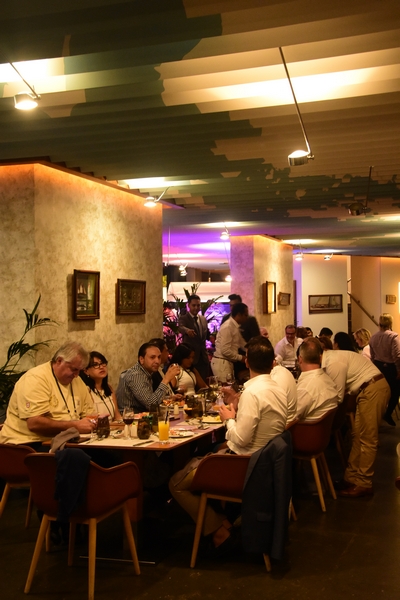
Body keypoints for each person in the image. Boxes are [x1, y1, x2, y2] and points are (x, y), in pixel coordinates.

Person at [169, 336, 287, 553]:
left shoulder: (253, 392)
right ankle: (223, 521)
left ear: (247, 361)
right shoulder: (278, 388)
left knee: (176, 482)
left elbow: (240, 439)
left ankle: (218, 530)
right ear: (272, 363)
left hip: (244, 468)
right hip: (264, 464)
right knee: (202, 457)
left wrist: (228, 419)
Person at [0, 341, 97, 448]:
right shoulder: (35, 378)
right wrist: (74, 426)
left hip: (66, 440)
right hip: (27, 443)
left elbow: (90, 415)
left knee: (107, 454)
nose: (76, 375)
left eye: (79, 371)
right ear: (59, 361)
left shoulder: (77, 381)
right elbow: (34, 424)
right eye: (74, 369)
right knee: (74, 455)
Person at [321, 348, 390, 497]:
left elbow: (338, 397)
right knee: (358, 436)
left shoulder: (333, 363)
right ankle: (351, 478)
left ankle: (364, 483)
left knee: (367, 439)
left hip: (373, 388)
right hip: (369, 388)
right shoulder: (332, 358)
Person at [119, 342, 180, 412]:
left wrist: (169, 398)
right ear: (141, 359)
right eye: (152, 357)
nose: (157, 361)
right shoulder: (136, 375)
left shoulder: (146, 373)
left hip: (142, 415)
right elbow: (151, 405)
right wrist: (166, 379)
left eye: (159, 357)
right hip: (130, 417)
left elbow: (151, 398)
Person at [296, 338, 339, 421]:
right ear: (320, 358)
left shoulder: (305, 389)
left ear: (300, 359)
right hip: (327, 428)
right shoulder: (328, 379)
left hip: (305, 428)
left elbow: (289, 418)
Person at [369, 313, 400, 426]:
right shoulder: (393, 336)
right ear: (390, 323)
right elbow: (397, 355)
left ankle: (378, 415)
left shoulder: (373, 337)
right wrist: (399, 369)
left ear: (379, 323)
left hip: (378, 366)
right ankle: (388, 414)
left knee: (381, 392)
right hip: (391, 367)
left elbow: (372, 355)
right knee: (396, 392)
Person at [211, 303, 248, 382]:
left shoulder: (234, 326)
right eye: (245, 315)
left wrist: (252, 350)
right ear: (239, 315)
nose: (247, 317)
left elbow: (242, 344)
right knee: (225, 387)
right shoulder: (228, 326)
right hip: (222, 362)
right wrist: (241, 358)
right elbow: (225, 350)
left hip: (226, 362)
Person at [79, 351, 122, 421]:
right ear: (86, 371)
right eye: (95, 365)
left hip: (113, 427)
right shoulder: (86, 391)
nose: (101, 367)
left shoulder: (109, 388)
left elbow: (117, 416)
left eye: (103, 363)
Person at [178, 294, 210, 382]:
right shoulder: (184, 318)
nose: (196, 308)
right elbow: (181, 327)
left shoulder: (203, 319)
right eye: (194, 305)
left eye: (198, 305)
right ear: (188, 305)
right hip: (191, 358)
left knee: (204, 382)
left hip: (203, 358)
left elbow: (205, 334)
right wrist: (187, 331)